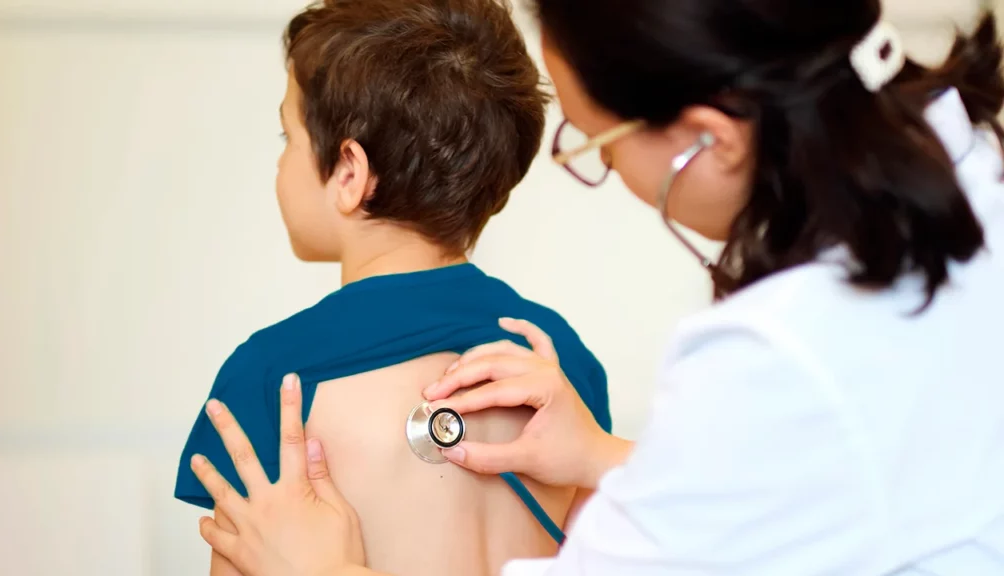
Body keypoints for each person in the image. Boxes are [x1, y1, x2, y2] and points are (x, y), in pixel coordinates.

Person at [184, 0, 1004, 574]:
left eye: (599, 141)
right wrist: (601, 456)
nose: (603, 166)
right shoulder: (553, 361)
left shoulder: (268, 380)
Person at [171, 1, 612, 575]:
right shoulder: (555, 356)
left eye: (289, 135)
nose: (281, 162)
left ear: (349, 172)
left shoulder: (275, 375)